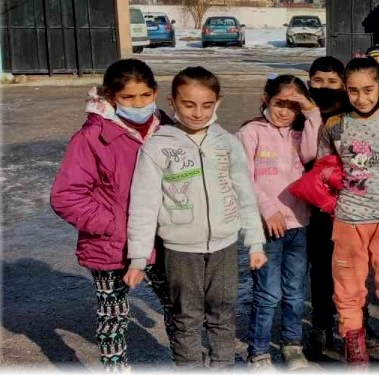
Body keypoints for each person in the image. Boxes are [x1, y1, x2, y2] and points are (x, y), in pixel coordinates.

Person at [125, 66, 267, 369]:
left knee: (223, 313)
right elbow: (144, 204)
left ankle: (223, 366)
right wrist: (138, 257)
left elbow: (244, 194)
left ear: (218, 103)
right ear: (172, 102)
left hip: (224, 247)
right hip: (181, 250)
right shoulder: (158, 146)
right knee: (186, 317)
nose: (198, 113)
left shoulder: (227, 143)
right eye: (189, 104)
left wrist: (255, 241)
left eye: (206, 105)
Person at [49, 59, 175, 372]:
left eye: (145, 95)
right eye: (128, 97)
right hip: (112, 247)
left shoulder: (167, 128)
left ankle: (189, 363)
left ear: (155, 92)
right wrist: (114, 226)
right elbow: (66, 196)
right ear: (110, 96)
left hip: (163, 241)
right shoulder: (91, 137)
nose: (139, 104)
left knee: (179, 307)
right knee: (113, 317)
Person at [317, 58, 379, 367]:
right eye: (353, 91)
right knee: (348, 290)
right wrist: (335, 205)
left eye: (368, 90)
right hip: (349, 220)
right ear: (345, 90)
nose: (361, 98)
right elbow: (325, 169)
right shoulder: (334, 126)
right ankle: (356, 356)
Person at [238, 74, 322, 370]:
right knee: (267, 292)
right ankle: (259, 352)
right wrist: (268, 209)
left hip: (299, 223)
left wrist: (311, 112)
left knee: (295, 291)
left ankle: (292, 345)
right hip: (267, 227)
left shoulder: (301, 132)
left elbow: (312, 153)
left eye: (292, 106)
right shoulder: (251, 132)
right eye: (279, 103)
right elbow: (243, 178)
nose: (285, 112)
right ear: (266, 99)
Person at [303, 55, 348, 358]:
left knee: (350, 270)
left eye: (332, 81)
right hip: (314, 206)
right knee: (320, 269)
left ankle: (353, 324)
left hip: (350, 204)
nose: (325, 87)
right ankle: (321, 325)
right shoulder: (301, 114)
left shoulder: (351, 113)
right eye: (318, 80)